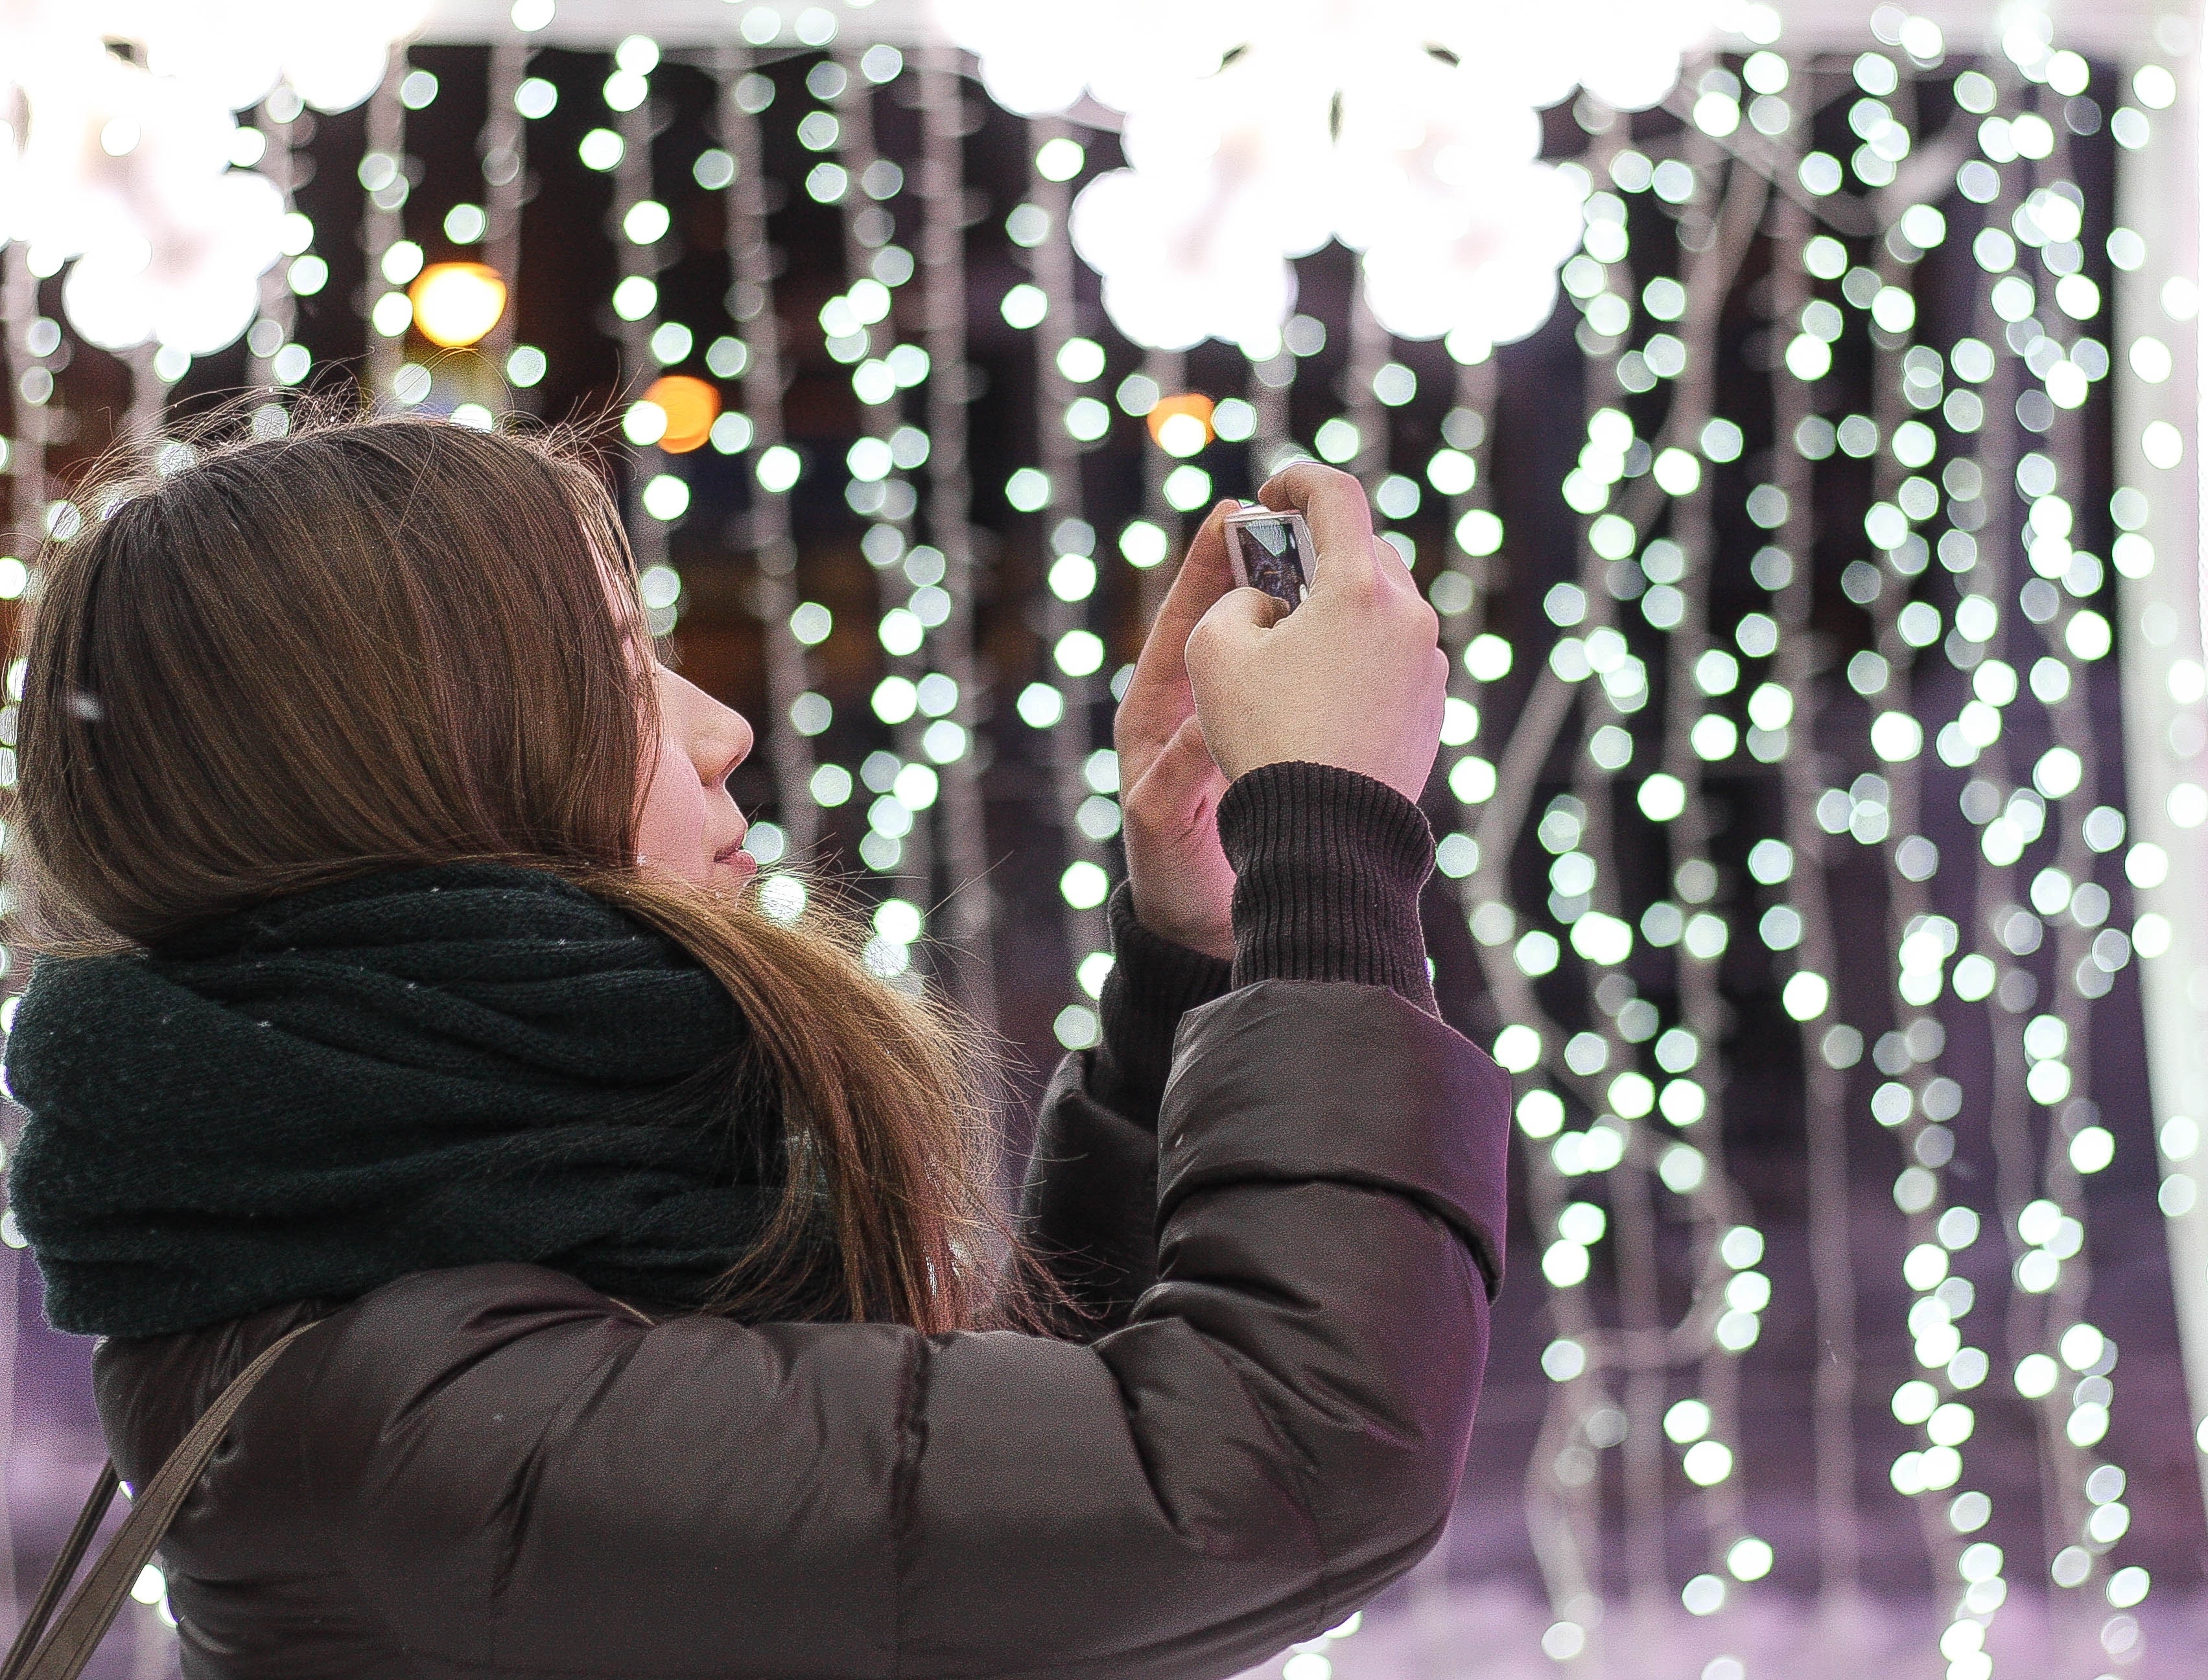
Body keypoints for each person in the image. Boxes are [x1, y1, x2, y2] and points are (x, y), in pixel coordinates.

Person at [0, 415, 1507, 1677]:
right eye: (610, 667)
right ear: (432, 772)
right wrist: (1329, 828)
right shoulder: (422, 1421)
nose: (717, 725)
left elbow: (962, 1517)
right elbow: (1271, 1469)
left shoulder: (435, 1249)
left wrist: (1205, 945)